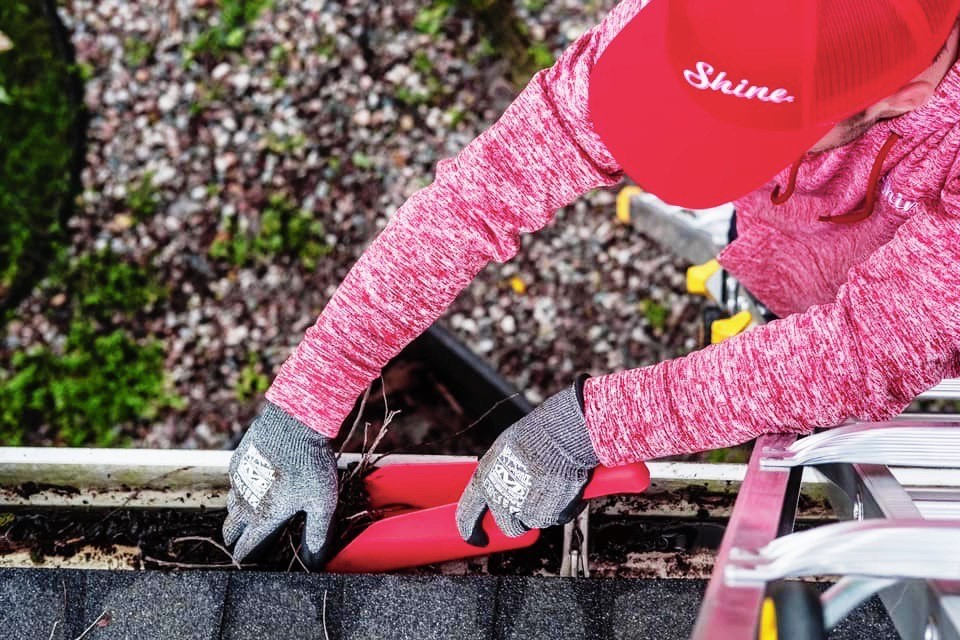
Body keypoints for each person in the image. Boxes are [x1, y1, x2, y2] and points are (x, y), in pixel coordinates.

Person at [222, 0, 960, 566]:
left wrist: (594, 426)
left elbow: (864, 349)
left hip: (918, 289)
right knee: (781, 303)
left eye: (750, 133)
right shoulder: (693, 21)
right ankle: (770, 305)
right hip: (787, 243)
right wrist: (308, 396)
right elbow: (489, 187)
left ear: (910, 89)